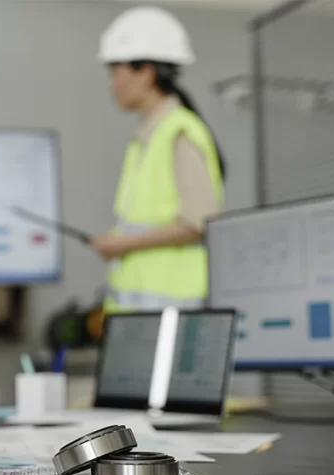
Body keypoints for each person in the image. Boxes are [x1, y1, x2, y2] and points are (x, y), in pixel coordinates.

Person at [90, 7, 226, 312]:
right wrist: (117, 239)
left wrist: (121, 245)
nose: (112, 84)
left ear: (146, 73)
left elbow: (198, 223)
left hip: (171, 318)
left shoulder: (179, 132)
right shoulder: (147, 137)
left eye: (116, 72)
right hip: (143, 319)